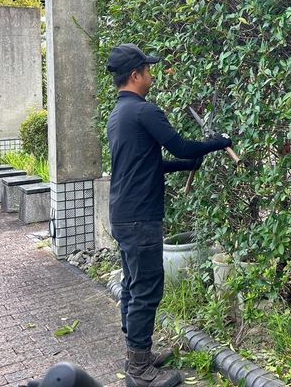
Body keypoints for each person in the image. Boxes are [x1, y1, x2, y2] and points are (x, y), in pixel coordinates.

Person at [106, 44, 232, 387]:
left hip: (123, 214)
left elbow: (149, 164)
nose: (152, 75)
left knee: (134, 287)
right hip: (140, 217)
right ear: (135, 75)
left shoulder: (119, 116)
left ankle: (138, 355)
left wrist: (184, 165)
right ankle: (139, 372)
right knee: (146, 289)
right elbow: (180, 145)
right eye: (148, 69)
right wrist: (218, 143)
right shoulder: (145, 111)